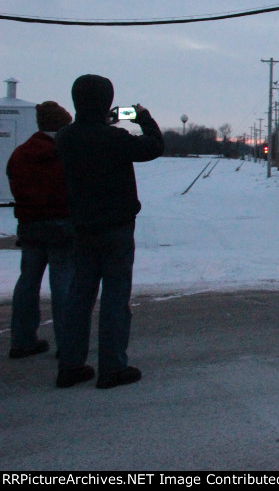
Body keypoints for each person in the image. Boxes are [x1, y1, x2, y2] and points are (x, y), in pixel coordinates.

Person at [55, 75, 163, 389]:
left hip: (82, 227)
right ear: (105, 102)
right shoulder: (114, 138)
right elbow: (154, 146)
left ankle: (70, 366)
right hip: (116, 229)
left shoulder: (65, 137)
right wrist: (144, 118)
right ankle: (112, 367)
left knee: (79, 297)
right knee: (115, 298)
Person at [6, 101, 75, 360]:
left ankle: (21, 340)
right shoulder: (66, 152)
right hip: (62, 225)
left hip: (30, 225)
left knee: (27, 282)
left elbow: (14, 182)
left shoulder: (21, 153)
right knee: (63, 284)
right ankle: (68, 343)